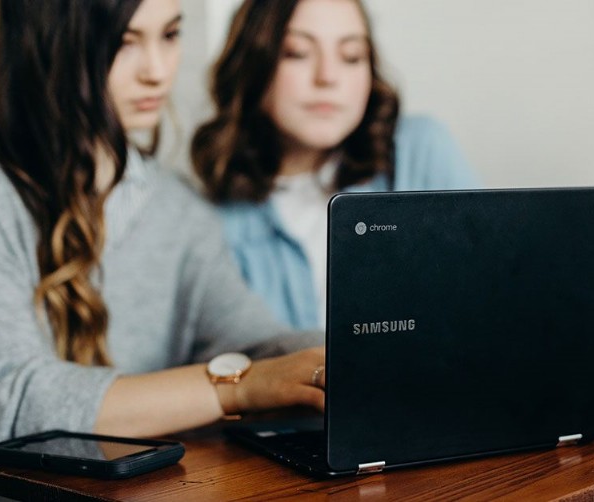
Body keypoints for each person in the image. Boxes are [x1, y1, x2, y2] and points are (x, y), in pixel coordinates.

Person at [0, 1, 325, 500]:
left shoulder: (178, 206)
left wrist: (347, 354)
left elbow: (255, 342)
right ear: (50, 43)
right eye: (126, 42)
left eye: (170, 35)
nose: (157, 70)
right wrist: (238, 388)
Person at [191, 0, 480, 331]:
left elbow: (488, 299)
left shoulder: (420, 150)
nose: (327, 77)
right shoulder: (209, 219)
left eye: (351, 56)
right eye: (297, 52)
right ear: (251, 64)